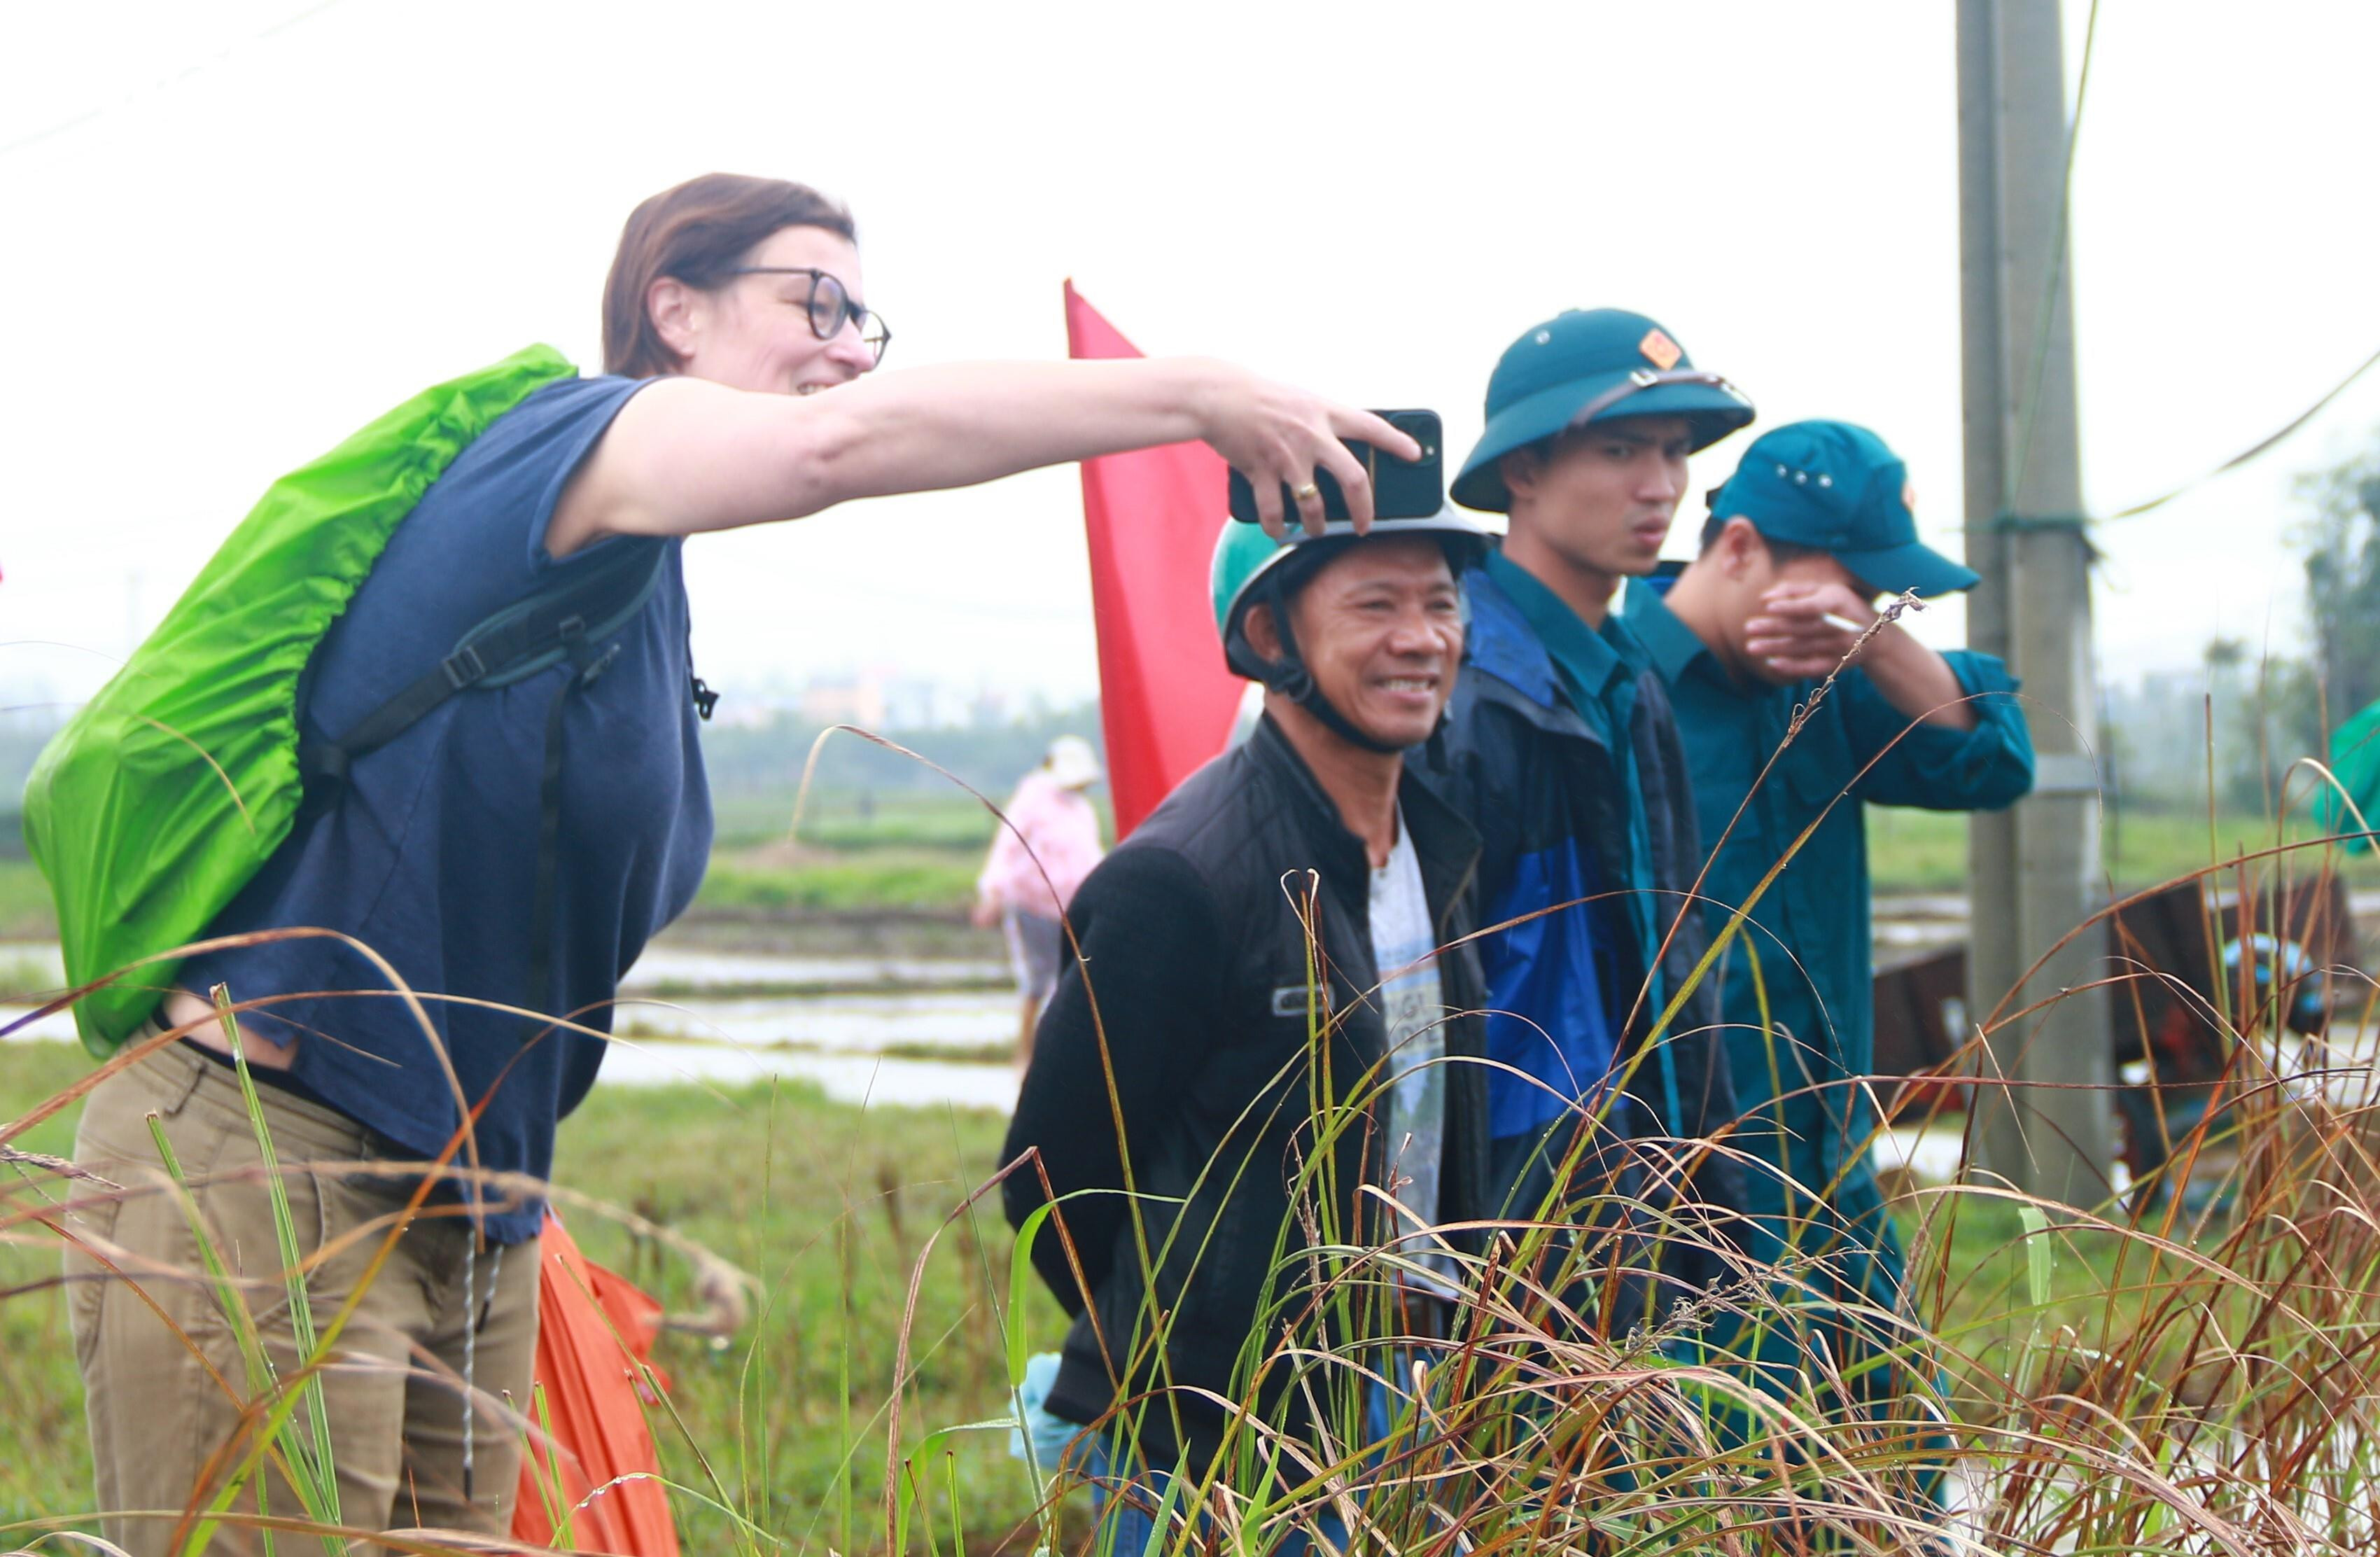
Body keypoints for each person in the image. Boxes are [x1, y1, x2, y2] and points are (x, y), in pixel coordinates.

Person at [63, 172, 1420, 1556]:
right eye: (811, 299)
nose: (843, 344)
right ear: (674, 308)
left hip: (473, 1198)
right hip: (277, 1149)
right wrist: (1196, 396)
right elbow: (835, 449)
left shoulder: (641, 591)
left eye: (862, 317)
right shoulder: (570, 446)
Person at [1002, 508, 1494, 1551]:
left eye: (1441, 604)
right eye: (1376, 605)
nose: (1422, 637)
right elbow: (1048, 1176)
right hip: (1219, 1449)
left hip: (1406, 1402)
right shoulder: (1180, 878)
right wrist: (1191, 1351)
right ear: (1269, 636)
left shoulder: (1432, 853)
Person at [1620, 418, 2033, 1451]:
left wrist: (1877, 639)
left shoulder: (1838, 682)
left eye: (1881, 598)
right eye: (1842, 584)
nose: (1857, 614)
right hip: (1683, 1199)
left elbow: (1992, 763)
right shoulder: (1613, 682)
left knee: (1902, 1459)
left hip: (1833, 1172)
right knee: (1737, 1479)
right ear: (1743, 547)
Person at [1419, 307, 1751, 1320]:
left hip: (1631, 1179)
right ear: (1522, 473)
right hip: (1514, 1208)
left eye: (1672, 453)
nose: (1658, 486)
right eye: (1619, 451)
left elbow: (1668, 941)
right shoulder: (1463, 688)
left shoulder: (1625, 679)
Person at [972, 733, 1107, 1064]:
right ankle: (1025, 1056)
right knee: (1036, 980)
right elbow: (1008, 846)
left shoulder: (1082, 810)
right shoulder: (1032, 799)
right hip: (1032, 906)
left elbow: (1092, 857)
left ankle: (1058, 1056)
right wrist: (993, 893)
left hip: (1070, 910)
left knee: (1069, 982)